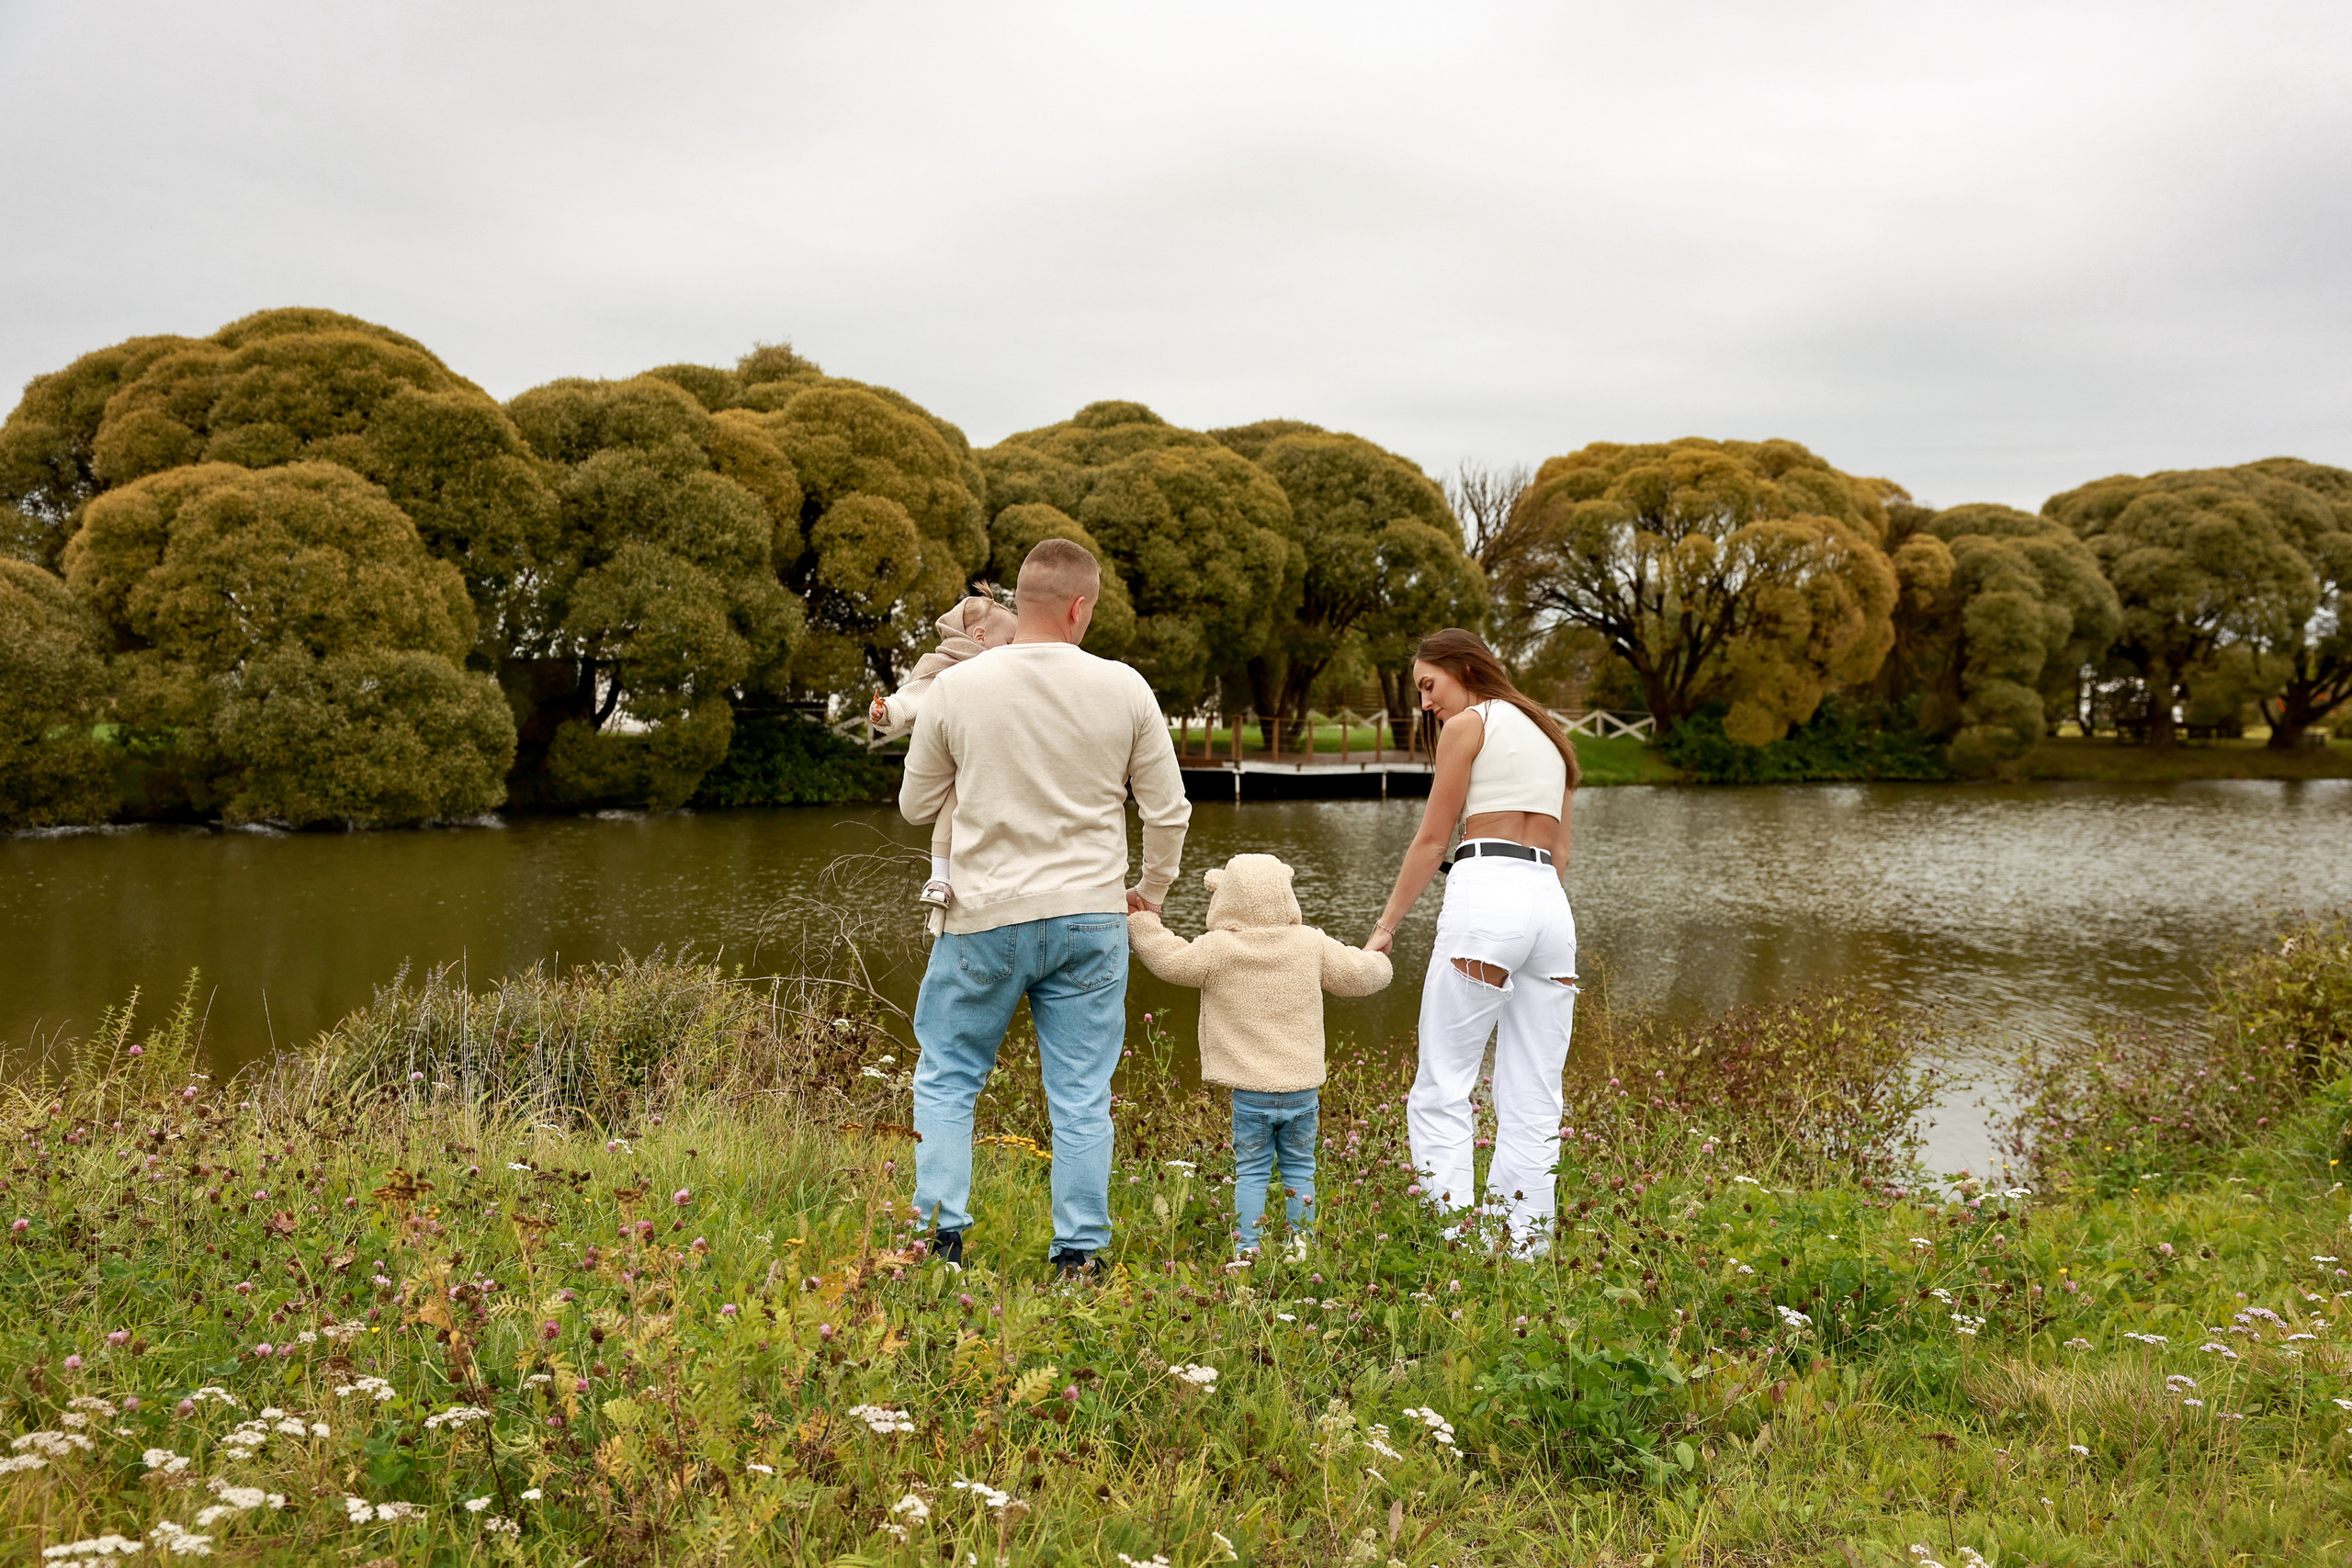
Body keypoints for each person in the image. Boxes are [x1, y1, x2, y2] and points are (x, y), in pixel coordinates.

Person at [899, 539, 1191, 1276]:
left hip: (983, 916)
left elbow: (912, 806)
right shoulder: (1125, 686)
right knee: (1082, 1093)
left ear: (1015, 604)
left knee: (948, 1076)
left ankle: (939, 1245)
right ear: (1079, 606)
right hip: (1091, 917)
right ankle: (1079, 1256)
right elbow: (1169, 810)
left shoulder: (958, 689)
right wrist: (1150, 892)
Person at [1365, 628, 1580, 1255]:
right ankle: (1524, 1246)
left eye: (1429, 685)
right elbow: (1562, 852)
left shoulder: (1470, 726)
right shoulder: (1554, 737)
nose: (1427, 702)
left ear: (1463, 667)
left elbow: (1434, 840)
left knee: (1443, 1082)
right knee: (1536, 1092)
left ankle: (1455, 1244)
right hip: (1549, 906)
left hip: (1487, 888)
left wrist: (1385, 928)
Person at [1128, 852, 1391, 1257]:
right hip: (1302, 1091)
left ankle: (1246, 1250)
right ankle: (1299, 1247)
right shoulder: (1311, 944)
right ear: (1286, 894)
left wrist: (1142, 922)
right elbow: (1358, 975)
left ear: (1226, 898)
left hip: (1251, 1094)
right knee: (1300, 1169)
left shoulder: (1218, 949)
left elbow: (1168, 958)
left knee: (1250, 1172)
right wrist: (1379, 960)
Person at [869, 594, 1021, 916]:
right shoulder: (947, 669)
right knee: (952, 807)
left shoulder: (1009, 671)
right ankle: (939, 878)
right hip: (960, 760)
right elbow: (911, 697)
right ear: (980, 637)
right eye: (1009, 640)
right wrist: (886, 712)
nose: (1015, 646)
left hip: (995, 760)